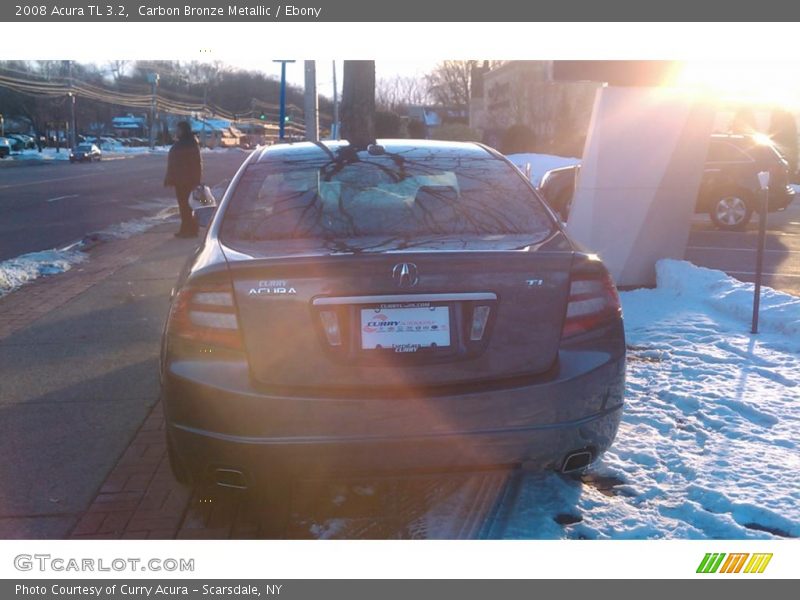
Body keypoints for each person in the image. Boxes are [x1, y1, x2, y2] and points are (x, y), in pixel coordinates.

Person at [164, 121, 202, 238]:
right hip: (181, 180)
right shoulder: (185, 142)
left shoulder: (188, 143)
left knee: (186, 206)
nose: (177, 131)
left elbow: (195, 163)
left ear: (184, 130)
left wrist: (196, 180)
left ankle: (189, 230)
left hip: (186, 180)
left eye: (179, 129)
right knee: (185, 206)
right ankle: (188, 229)